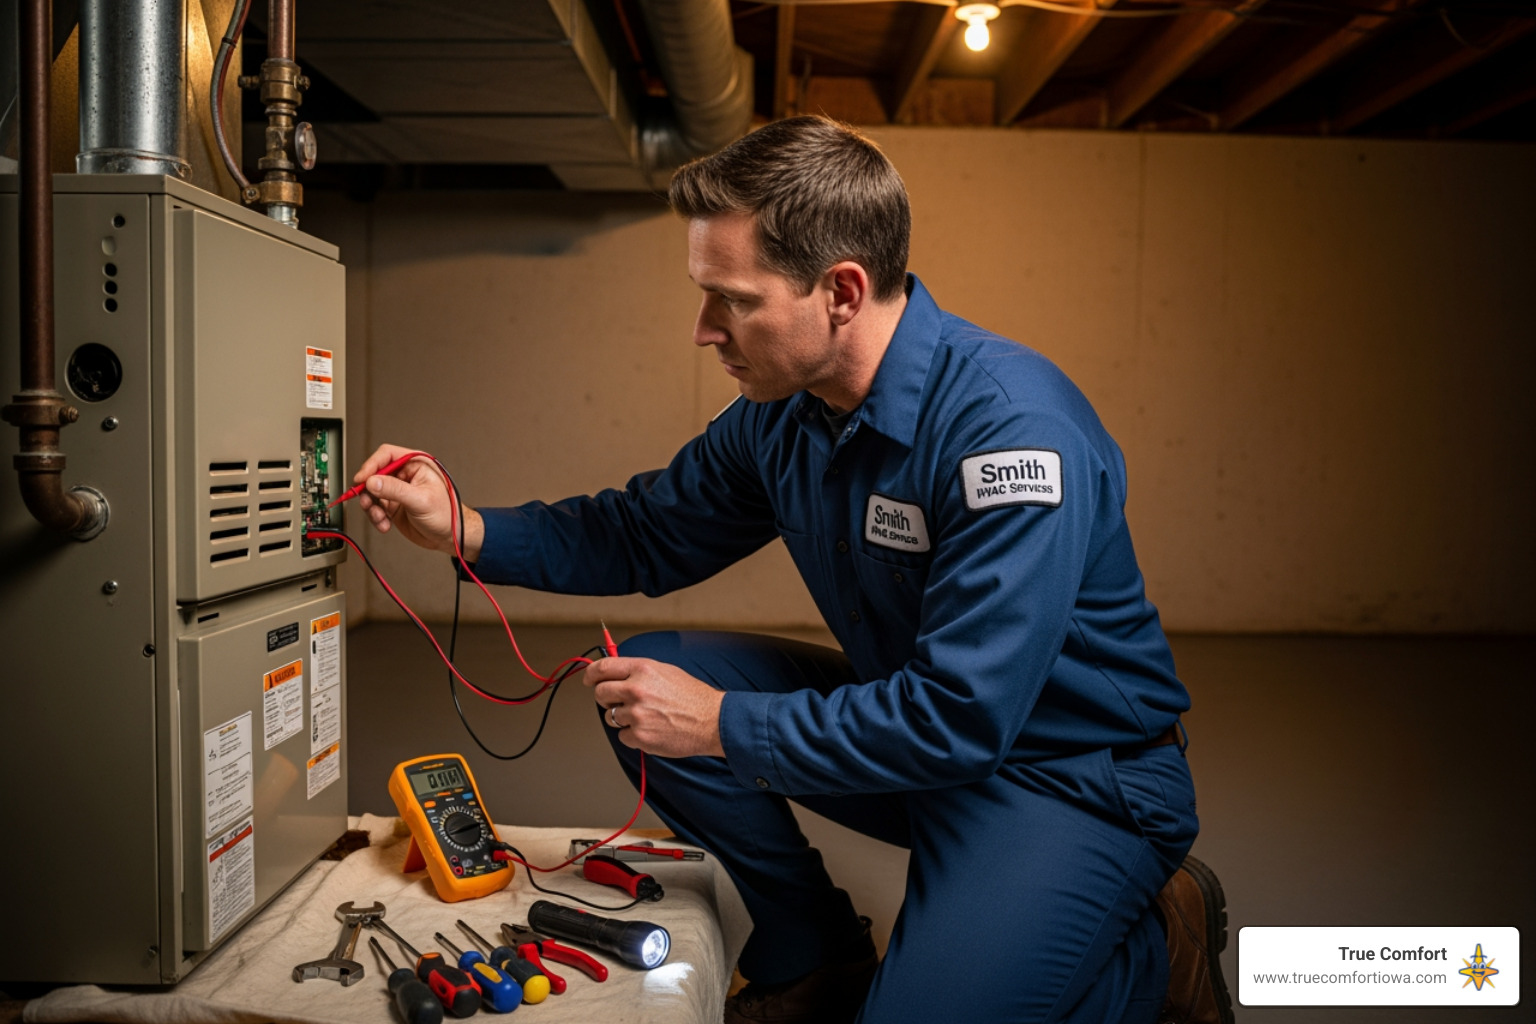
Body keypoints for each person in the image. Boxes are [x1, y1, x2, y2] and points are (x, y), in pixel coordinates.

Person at [353, 115, 1234, 1024]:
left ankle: (1158, 953)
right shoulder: (783, 415)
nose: (704, 331)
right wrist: (466, 526)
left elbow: (962, 717)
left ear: (841, 291)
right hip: (928, 748)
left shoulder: (1009, 434)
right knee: (652, 683)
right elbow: (647, 531)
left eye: (731, 299)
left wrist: (725, 723)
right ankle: (815, 953)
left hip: (1070, 779)